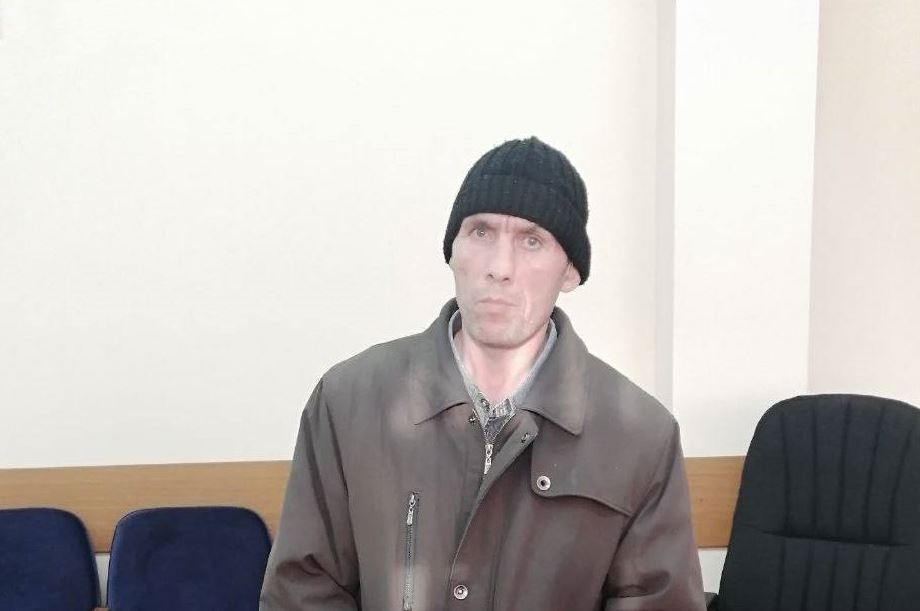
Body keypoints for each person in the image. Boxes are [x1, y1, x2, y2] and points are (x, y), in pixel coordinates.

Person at [260, 137, 706, 610]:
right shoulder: (349, 401)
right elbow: (301, 594)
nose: (500, 267)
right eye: (480, 232)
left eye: (532, 240)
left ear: (571, 272)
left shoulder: (639, 436)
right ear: (453, 252)